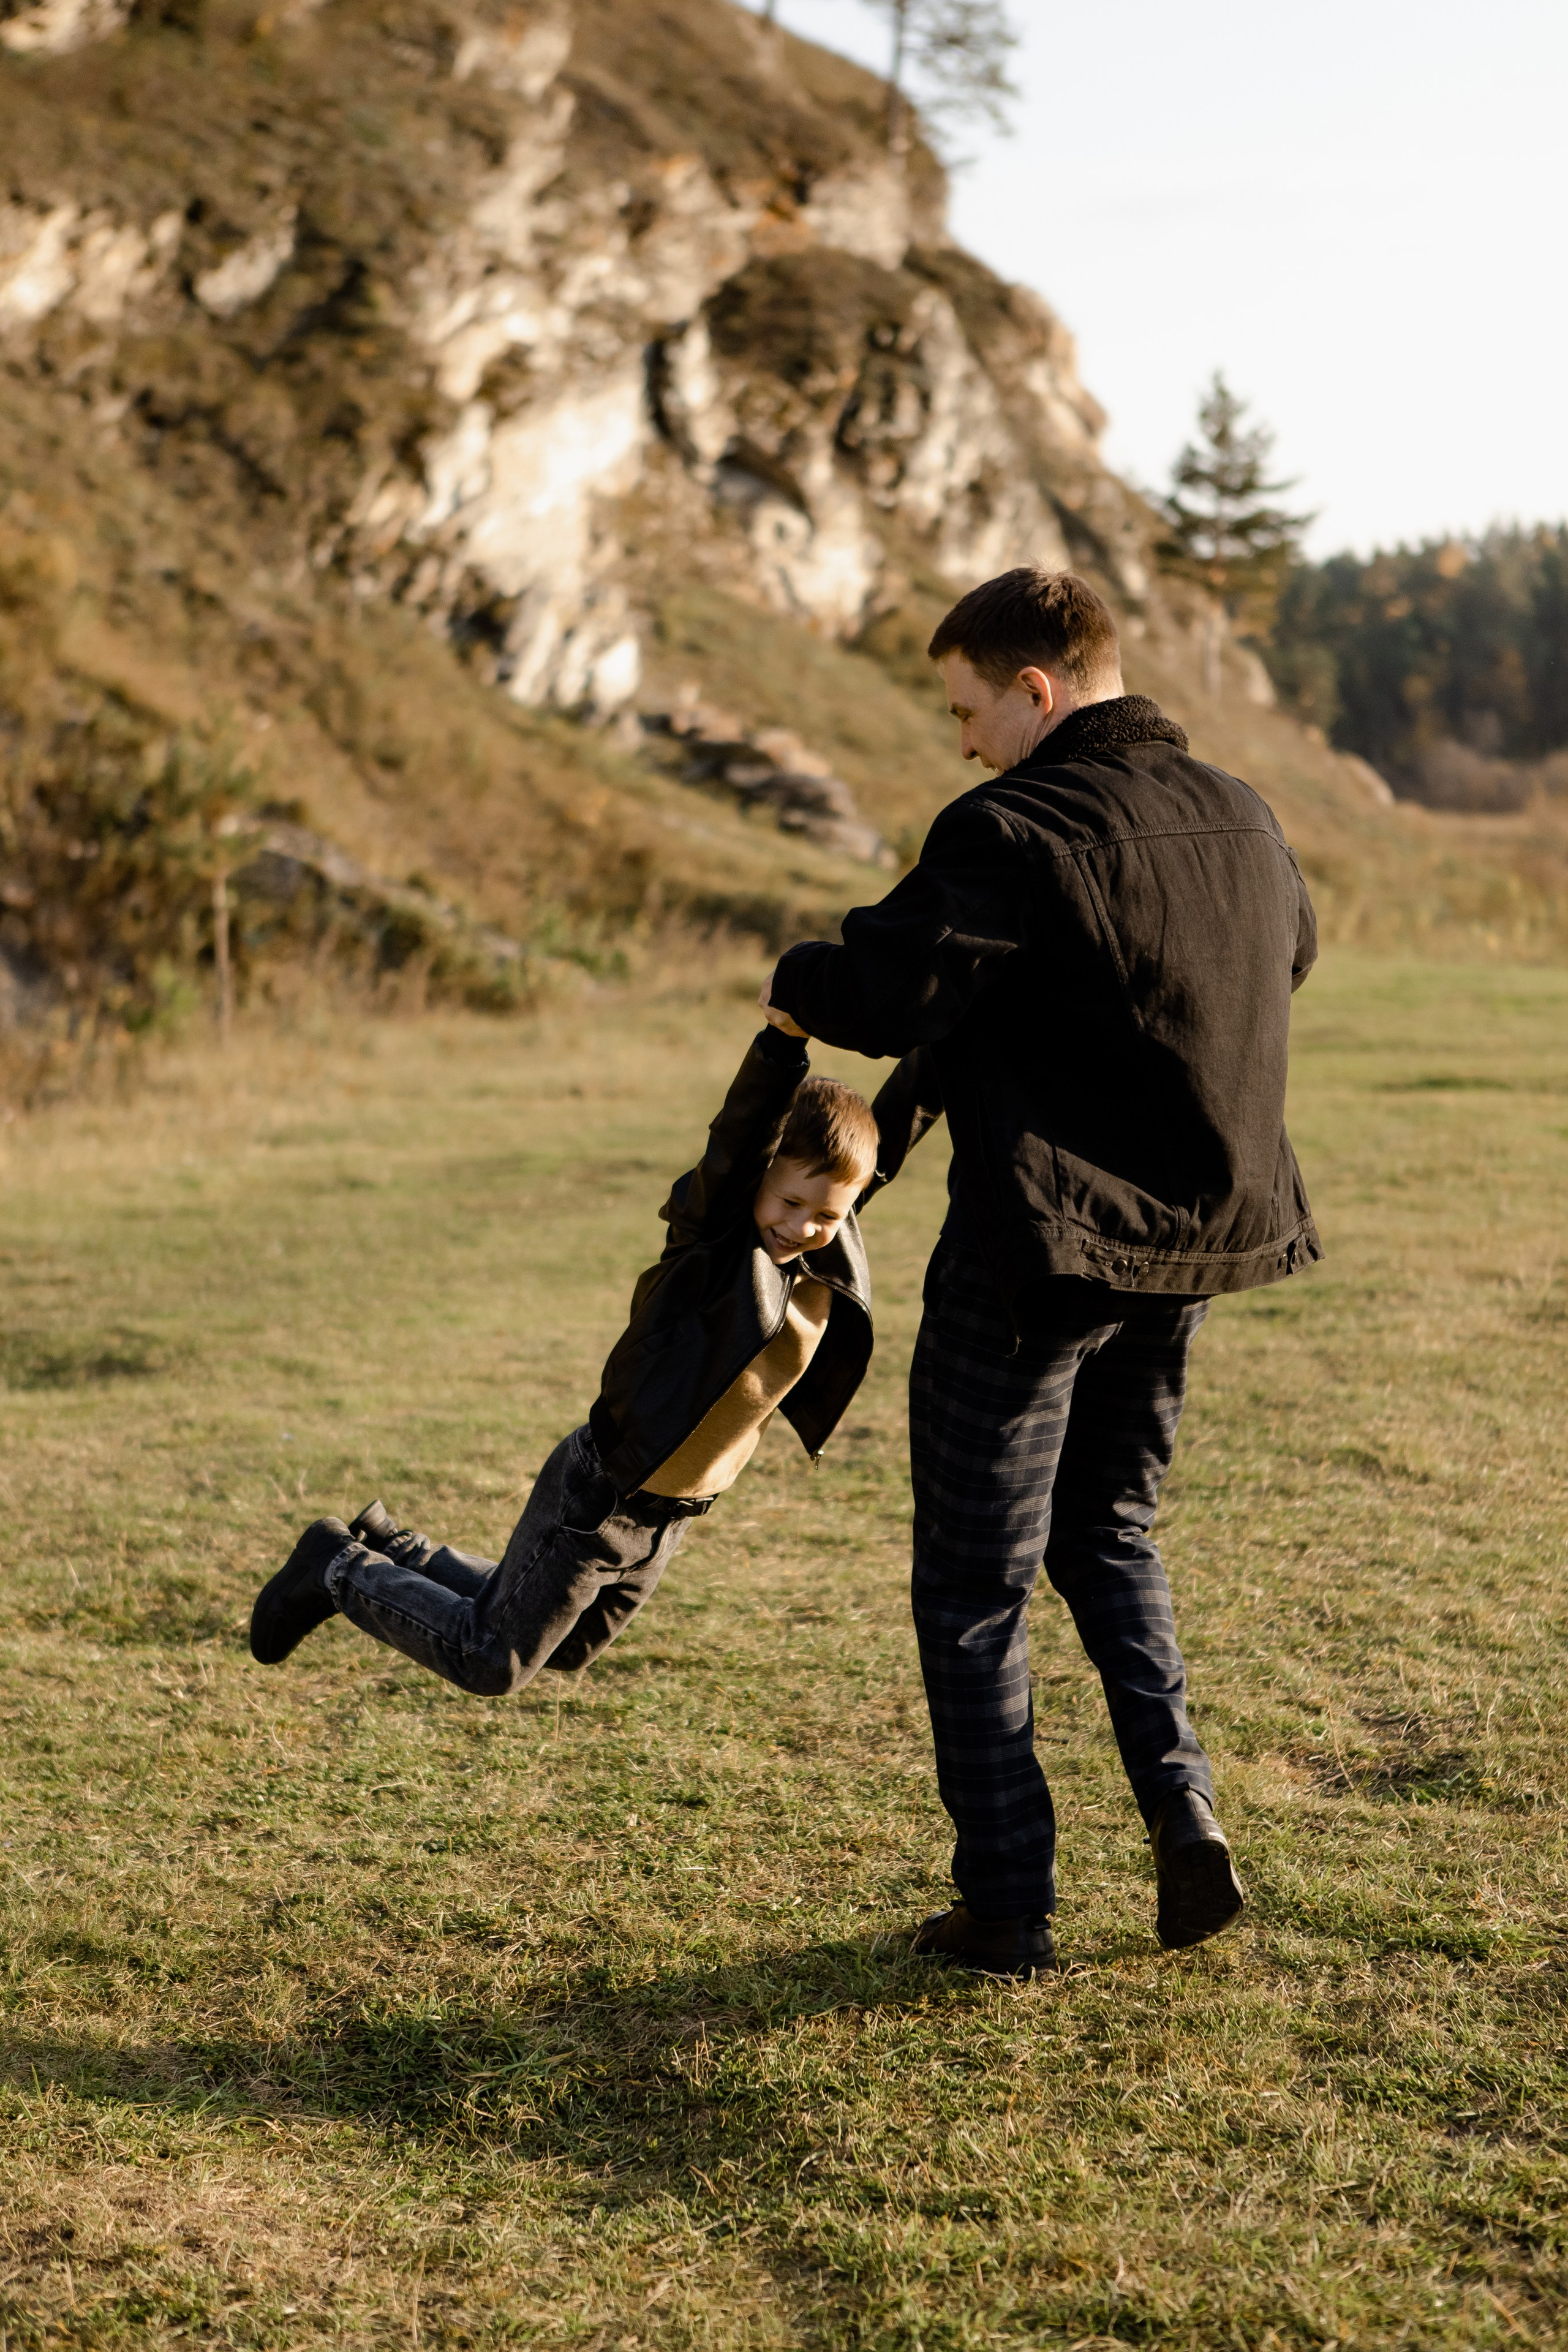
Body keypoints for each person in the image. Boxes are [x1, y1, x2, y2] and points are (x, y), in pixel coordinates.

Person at [760, 565, 1321, 1980]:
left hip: (1037, 1257)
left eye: (968, 710)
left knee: (969, 1582)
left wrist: (790, 974)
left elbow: (882, 987)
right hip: (1185, 1246)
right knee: (1112, 1531)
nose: (961, 742)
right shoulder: (1245, 816)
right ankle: (1180, 1808)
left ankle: (1005, 1908)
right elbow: (1281, 957)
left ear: (1038, 688)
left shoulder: (1020, 820)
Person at [249, 1030, 907, 1692]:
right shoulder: (714, 1245)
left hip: (671, 1515)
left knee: (565, 1649)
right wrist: (782, 1044)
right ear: (758, 1179)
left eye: (826, 1214)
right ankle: (334, 1566)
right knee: (491, 1661)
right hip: (606, 1493)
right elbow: (739, 1138)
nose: (802, 1227)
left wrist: (962, 1028)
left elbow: (900, 1124)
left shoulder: (826, 1246)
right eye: (789, 1203)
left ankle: (398, 1551)